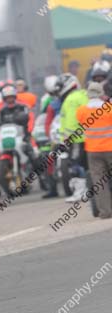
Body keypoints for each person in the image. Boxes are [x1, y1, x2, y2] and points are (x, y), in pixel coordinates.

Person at [77, 81, 112, 218]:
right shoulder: (109, 108)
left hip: (93, 151)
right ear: (101, 93)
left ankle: (105, 212)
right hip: (110, 148)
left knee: (99, 182)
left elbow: (81, 123)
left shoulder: (82, 111)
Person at [58, 73, 89, 199]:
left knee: (76, 165)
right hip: (89, 137)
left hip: (77, 139)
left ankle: (80, 192)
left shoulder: (70, 100)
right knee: (88, 164)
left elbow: (71, 121)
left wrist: (66, 138)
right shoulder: (83, 95)